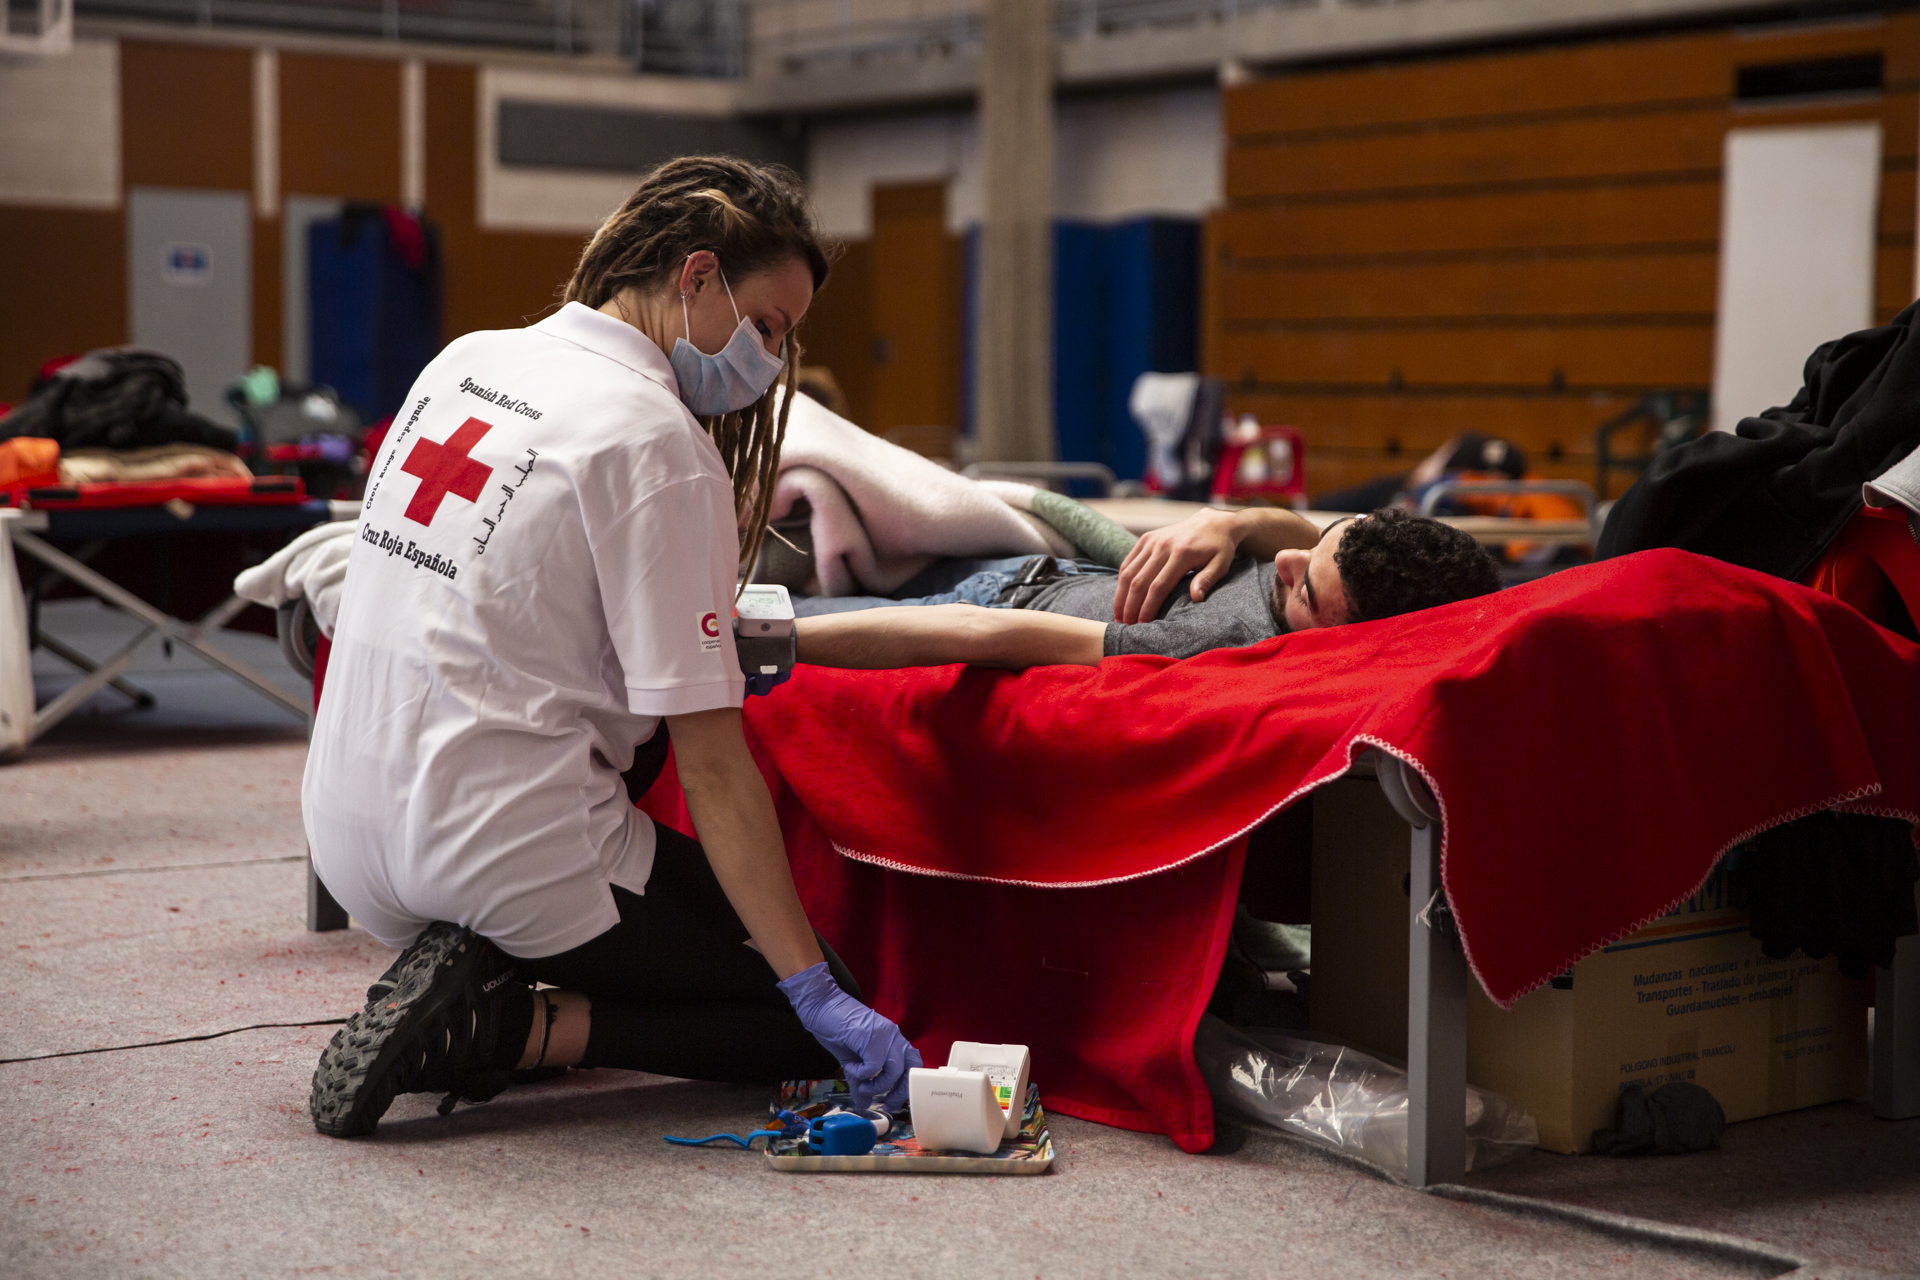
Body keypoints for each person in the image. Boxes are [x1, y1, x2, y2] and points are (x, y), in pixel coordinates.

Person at [303, 156, 920, 1138]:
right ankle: (512, 1024)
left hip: (345, 833)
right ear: (698, 275)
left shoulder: (462, 359)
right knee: (801, 1015)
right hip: (505, 850)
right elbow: (714, 762)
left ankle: (484, 967)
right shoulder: (657, 438)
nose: (767, 359)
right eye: (765, 325)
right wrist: (812, 981)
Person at [792, 505, 1502, 670]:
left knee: (771, 608)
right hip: (1031, 562)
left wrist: (778, 640)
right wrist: (1230, 523)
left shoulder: (1222, 646)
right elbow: (1297, 536)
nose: (1286, 558)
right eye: (1315, 547)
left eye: (1305, 592)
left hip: (991, 602)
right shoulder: (1323, 576)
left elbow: (986, 637)